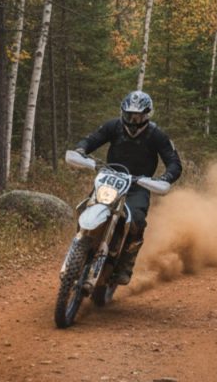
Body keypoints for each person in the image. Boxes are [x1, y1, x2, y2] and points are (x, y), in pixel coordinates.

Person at [74, 90, 182, 285]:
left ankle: (126, 264)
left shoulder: (157, 135)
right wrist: (81, 150)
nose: (132, 120)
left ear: (147, 115)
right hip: (110, 178)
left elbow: (174, 162)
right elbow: (92, 139)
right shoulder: (113, 126)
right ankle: (81, 242)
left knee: (137, 221)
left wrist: (165, 177)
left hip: (138, 185)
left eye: (138, 116)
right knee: (86, 207)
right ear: (122, 112)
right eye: (129, 115)